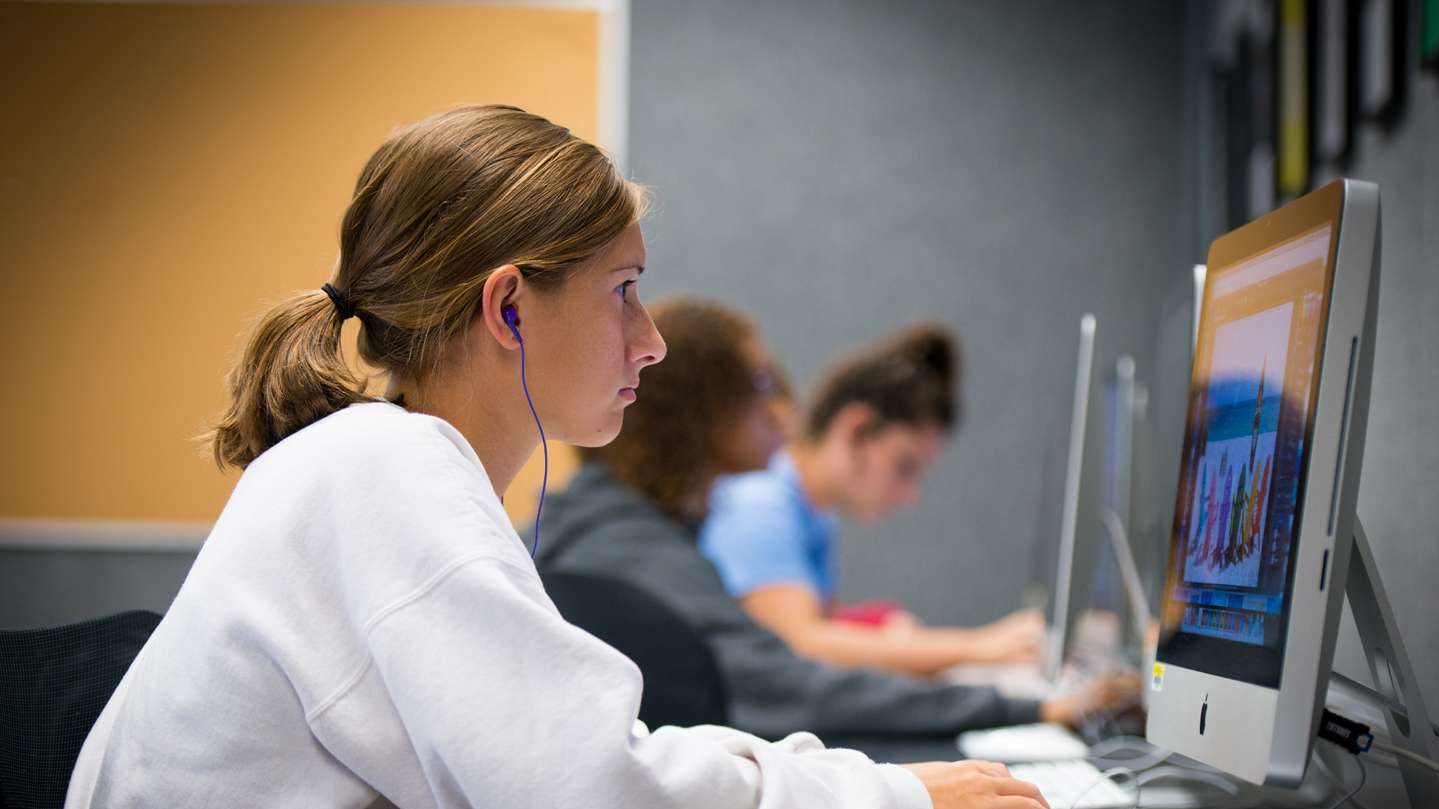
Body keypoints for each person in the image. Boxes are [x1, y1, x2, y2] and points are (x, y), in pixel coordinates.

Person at [64, 106, 1050, 809]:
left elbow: (560, 761)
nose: (650, 341)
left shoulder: (373, 463)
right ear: (506, 307)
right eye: (622, 290)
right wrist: (891, 794)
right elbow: (588, 785)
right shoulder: (384, 472)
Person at [536, 297, 1137, 745]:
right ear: (700, 411)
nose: (786, 408)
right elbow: (790, 679)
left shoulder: (619, 528)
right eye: (761, 384)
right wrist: (1025, 706)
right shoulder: (637, 547)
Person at [700, 325, 1044, 677]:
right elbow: (801, 643)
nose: (910, 496)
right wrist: (978, 647)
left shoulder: (813, 511)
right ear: (856, 429)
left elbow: (814, 619)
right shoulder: (762, 503)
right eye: (905, 466)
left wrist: (876, 624)